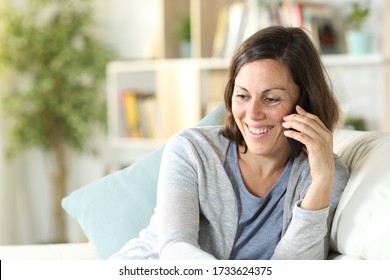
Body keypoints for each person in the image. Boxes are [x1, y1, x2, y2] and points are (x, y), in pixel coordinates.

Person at [110, 26, 350, 260]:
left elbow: (293, 271)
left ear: (305, 103)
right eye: (242, 96)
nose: (252, 113)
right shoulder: (191, 150)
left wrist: (321, 182)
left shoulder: (325, 175)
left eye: (271, 99)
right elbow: (175, 247)